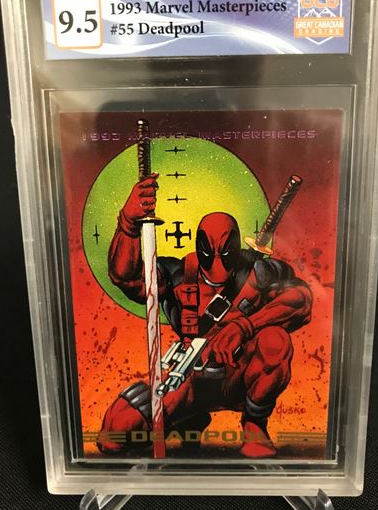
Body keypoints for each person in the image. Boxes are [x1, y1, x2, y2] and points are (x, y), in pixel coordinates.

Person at [98, 173, 312, 457]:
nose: (218, 260)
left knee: (275, 340)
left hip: (240, 376)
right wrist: (128, 224)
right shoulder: (177, 275)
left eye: (225, 249)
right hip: (188, 378)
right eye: (210, 249)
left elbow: (301, 300)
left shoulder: (260, 273)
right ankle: (190, 418)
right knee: (113, 434)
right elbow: (126, 278)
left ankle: (255, 425)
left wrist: (245, 327)